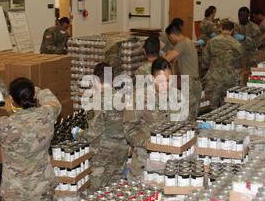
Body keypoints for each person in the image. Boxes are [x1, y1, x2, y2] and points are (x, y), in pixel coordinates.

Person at [124, 58, 187, 181]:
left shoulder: (178, 97)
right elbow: (129, 129)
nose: (165, 85)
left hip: (170, 163)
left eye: (168, 80)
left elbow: (183, 125)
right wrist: (149, 143)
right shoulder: (139, 98)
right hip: (145, 161)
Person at [80, 63, 129, 191]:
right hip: (121, 151)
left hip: (102, 156)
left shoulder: (97, 100)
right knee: (115, 190)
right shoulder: (124, 98)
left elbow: (93, 133)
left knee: (96, 193)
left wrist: (79, 134)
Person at [163, 24, 202, 120]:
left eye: (169, 38)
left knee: (186, 113)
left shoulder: (182, 43)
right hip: (195, 81)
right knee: (193, 113)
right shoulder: (188, 41)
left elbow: (167, 60)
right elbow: (175, 59)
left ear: (171, 35)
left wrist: (162, 55)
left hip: (188, 81)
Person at [203, 21, 244, 109]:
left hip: (214, 77)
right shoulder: (236, 43)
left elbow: (205, 59)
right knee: (227, 105)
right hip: (229, 78)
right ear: (232, 30)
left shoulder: (212, 41)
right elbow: (239, 62)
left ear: (221, 28)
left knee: (211, 105)